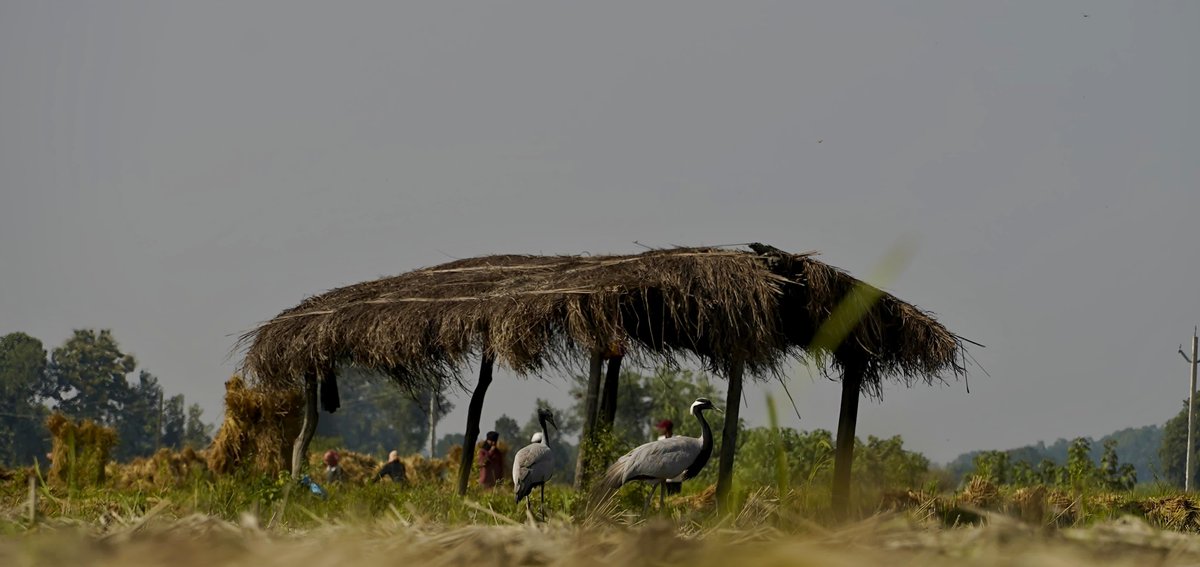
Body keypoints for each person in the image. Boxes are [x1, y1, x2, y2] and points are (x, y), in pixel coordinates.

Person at [654, 419, 682, 495]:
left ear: (665, 429)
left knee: (675, 496)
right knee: (666, 496)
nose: (659, 429)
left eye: (661, 427)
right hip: (665, 473)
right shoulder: (660, 440)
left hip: (676, 474)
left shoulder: (678, 439)